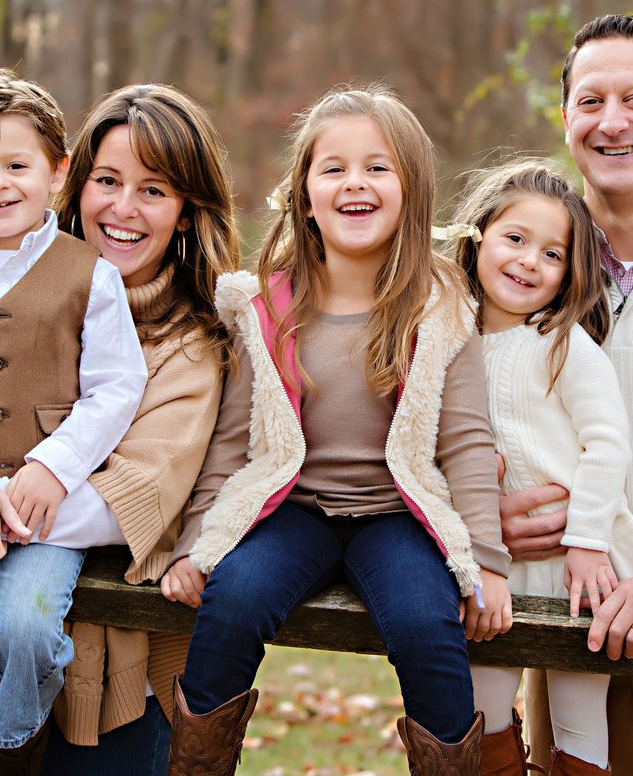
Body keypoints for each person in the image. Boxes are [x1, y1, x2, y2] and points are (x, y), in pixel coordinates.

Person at [159, 84, 512, 776]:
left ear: (412, 189)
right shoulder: (266, 304)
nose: (355, 182)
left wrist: (487, 563)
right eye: (334, 168)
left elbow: (468, 442)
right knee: (233, 602)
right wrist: (198, 543)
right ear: (304, 192)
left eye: (378, 167)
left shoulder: (441, 306)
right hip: (293, 512)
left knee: (425, 624)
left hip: (397, 518)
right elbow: (231, 440)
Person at [0, 83, 240, 774]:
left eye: (153, 190)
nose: (124, 208)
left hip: (116, 672)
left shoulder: (190, 348)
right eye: (108, 181)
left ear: (186, 210)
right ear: (75, 181)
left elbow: (133, 500)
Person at [0, 69, 148, 774]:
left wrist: (54, 466)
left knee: (29, 629)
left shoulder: (91, 274)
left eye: (17, 165)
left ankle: (14, 744)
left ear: (58, 172)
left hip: (41, 503)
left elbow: (116, 387)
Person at [502, 16, 633, 775]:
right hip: (567, 645)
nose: (611, 121)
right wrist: (484, 518)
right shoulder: (522, 265)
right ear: (566, 120)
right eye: (590, 101)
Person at [443, 160, 633, 775]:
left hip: (577, 571)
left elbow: (607, 444)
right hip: (495, 568)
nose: (529, 262)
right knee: (481, 712)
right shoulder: (446, 342)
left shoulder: (563, 343)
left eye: (552, 254)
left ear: (570, 272)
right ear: (477, 237)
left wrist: (588, 542)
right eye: (515, 238)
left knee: (579, 718)